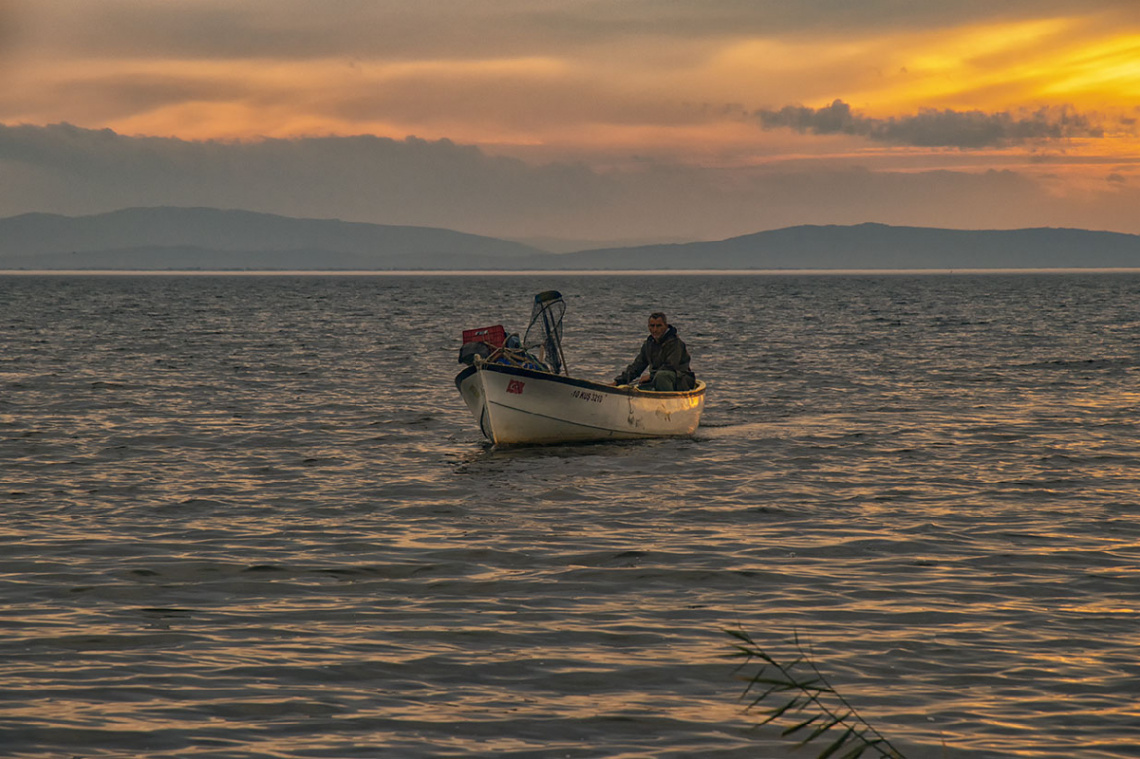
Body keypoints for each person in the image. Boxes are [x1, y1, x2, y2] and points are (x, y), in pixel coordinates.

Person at [613, 312, 696, 391]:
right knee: (640, 385)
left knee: (662, 376)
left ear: (666, 326)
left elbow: (671, 366)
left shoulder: (676, 343)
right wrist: (618, 382)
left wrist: (651, 376)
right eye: (652, 326)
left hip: (681, 379)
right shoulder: (648, 344)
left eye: (659, 326)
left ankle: (667, 403)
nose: (655, 329)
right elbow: (637, 366)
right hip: (657, 379)